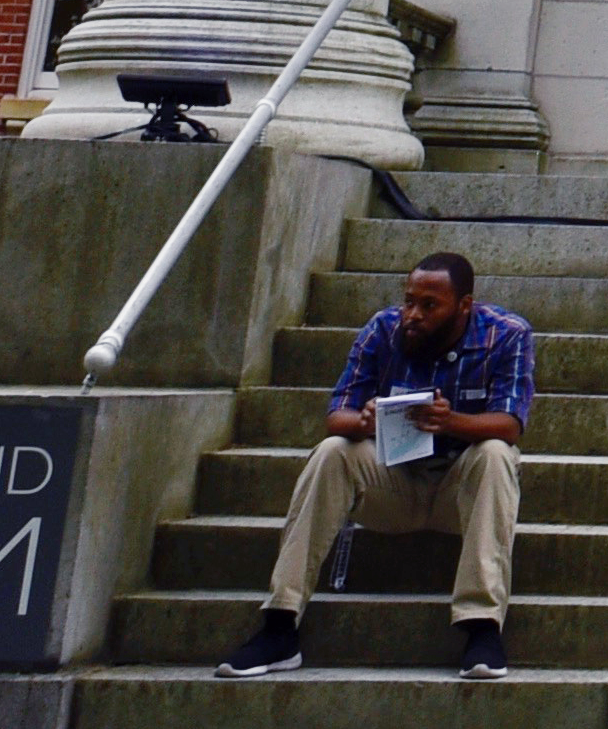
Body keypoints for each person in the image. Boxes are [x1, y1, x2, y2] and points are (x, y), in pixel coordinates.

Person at [221, 247, 536, 682]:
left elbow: (510, 424)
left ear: (464, 306)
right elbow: (338, 415)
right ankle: (280, 624)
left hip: (459, 494)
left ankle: (482, 627)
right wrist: (364, 420)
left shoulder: (506, 333)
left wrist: (452, 422)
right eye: (410, 300)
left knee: (498, 454)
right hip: (393, 486)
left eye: (430, 305)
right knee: (333, 450)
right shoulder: (382, 329)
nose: (414, 314)